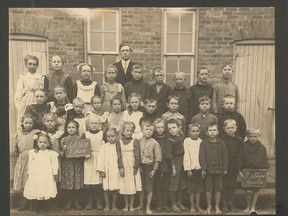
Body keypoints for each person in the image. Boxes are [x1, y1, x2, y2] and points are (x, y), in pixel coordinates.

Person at [23, 132, 59, 212]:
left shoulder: (51, 153)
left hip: (47, 175)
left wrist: (54, 173)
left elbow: (55, 164)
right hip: (36, 175)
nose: (42, 144)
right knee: (36, 189)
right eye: (40, 142)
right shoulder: (33, 153)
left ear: (49, 144)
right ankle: (37, 208)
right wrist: (30, 173)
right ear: (37, 143)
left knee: (46, 189)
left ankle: (47, 207)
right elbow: (30, 164)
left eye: (45, 142)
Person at [237, 128, 269, 214]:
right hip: (247, 171)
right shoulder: (243, 146)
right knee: (248, 190)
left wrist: (266, 170)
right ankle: (248, 205)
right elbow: (239, 159)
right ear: (247, 136)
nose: (253, 138)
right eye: (250, 136)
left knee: (256, 190)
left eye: (255, 136)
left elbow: (265, 160)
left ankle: (253, 207)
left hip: (258, 171)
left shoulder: (262, 148)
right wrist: (239, 170)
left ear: (259, 136)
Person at [199, 123, 229, 214]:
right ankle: (209, 206)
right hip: (208, 170)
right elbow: (202, 156)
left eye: (214, 130)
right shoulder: (204, 143)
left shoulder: (221, 143)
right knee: (208, 189)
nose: (212, 132)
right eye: (210, 130)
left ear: (218, 132)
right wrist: (204, 169)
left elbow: (225, 156)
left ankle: (217, 206)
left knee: (218, 189)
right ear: (207, 132)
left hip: (219, 169)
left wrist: (225, 168)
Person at [14, 55, 48, 131]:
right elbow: (18, 94)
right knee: (26, 121)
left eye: (34, 64)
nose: (32, 66)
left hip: (38, 100)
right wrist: (20, 107)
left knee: (37, 121)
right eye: (30, 64)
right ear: (26, 64)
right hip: (26, 101)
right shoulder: (23, 78)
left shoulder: (41, 77)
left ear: (37, 65)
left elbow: (43, 91)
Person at [13, 114, 38, 211]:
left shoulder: (35, 134)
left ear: (33, 124)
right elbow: (16, 149)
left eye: (30, 123)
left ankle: (33, 203)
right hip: (22, 159)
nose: (28, 125)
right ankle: (24, 203)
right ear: (22, 123)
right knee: (23, 181)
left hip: (32, 159)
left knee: (31, 180)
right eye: (26, 123)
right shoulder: (18, 135)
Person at [137, 121, 162, 215]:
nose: (148, 131)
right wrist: (138, 166)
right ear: (142, 130)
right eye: (146, 129)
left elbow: (158, 158)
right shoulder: (138, 141)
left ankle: (148, 206)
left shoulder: (155, 143)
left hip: (149, 168)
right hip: (141, 167)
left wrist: (154, 169)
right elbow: (137, 155)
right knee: (141, 187)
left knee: (149, 188)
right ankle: (141, 205)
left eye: (151, 130)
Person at [116, 122, 142, 212]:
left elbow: (137, 154)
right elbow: (118, 155)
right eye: (127, 130)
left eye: (131, 131)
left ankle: (131, 205)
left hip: (132, 166)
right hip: (124, 166)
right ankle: (126, 205)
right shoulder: (119, 141)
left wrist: (136, 166)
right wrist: (120, 167)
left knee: (132, 186)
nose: (129, 132)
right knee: (124, 186)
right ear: (122, 131)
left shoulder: (135, 141)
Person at [59, 120, 85, 210]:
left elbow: (84, 151)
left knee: (76, 183)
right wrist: (64, 150)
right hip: (67, 165)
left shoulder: (80, 139)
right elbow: (61, 154)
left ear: (77, 129)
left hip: (77, 164)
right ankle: (69, 202)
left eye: (73, 127)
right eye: (69, 127)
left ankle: (76, 202)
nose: (71, 129)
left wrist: (82, 154)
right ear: (66, 129)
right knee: (69, 183)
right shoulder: (63, 139)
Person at [81, 115, 104, 210]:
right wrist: (84, 153)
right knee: (89, 180)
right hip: (88, 159)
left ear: (99, 124)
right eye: (92, 123)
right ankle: (89, 201)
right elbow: (81, 148)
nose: (94, 125)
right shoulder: (85, 134)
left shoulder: (102, 134)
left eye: (96, 123)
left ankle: (98, 201)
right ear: (88, 125)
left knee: (98, 181)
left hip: (99, 158)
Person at [220, 119, 243, 213]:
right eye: (228, 128)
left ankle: (231, 204)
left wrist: (239, 168)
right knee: (224, 185)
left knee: (232, 185)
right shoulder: (221, 139)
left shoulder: (239, 140)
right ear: (224, 129)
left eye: (232, 128)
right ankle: (224, 205)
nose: (230, 130)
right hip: (224, 166)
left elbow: (241, 155)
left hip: (234, 165)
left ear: (236, 128)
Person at [166, 119, 188, 213]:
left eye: (174, 127)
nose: (172, 130)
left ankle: (179, 202)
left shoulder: (183, 137)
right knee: (174, 183)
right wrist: (173, 166)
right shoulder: (169, 140)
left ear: (179, 128)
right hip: (175, 161)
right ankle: (173, 204)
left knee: (182, 182)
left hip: (184, 160)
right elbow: (169, 155)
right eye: (169, 128)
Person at [97, 128, 120, 211]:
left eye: (113, 136)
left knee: (114, 188)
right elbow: (100, 159)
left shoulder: (118, 146)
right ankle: (107, 205)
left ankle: (114, 204)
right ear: (106, 137)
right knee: (106, 188)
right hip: (106, 170)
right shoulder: (104, 146)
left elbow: (120, 158)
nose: (111, 138)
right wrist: (102, 170)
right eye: (108, 136)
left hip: (115, 170)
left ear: (116, 136)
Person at [183, 123, 204, 213]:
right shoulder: (186, 141)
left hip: (199, 168)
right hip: (190, 169)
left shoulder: (201, 141)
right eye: (193, 131)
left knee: (198, 189)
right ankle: (192, 206)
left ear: (199, 132)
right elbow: (186, 155)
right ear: (189, 132)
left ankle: (197, 205)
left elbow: (203, 156)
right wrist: (188, 169)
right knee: (191, 189)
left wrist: (203, 169)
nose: (195, 133)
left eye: (197, 131)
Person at [152, 118, 171, 213]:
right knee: (158, 185)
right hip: (157, 165)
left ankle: (165, 203)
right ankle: (158, 204)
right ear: (154, 128)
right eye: (158, 127)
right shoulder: (153, 138)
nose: (160, 129)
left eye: (162, 127)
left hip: (166, 165)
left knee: (166, 185)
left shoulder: (168, 137)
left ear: (165, 128)